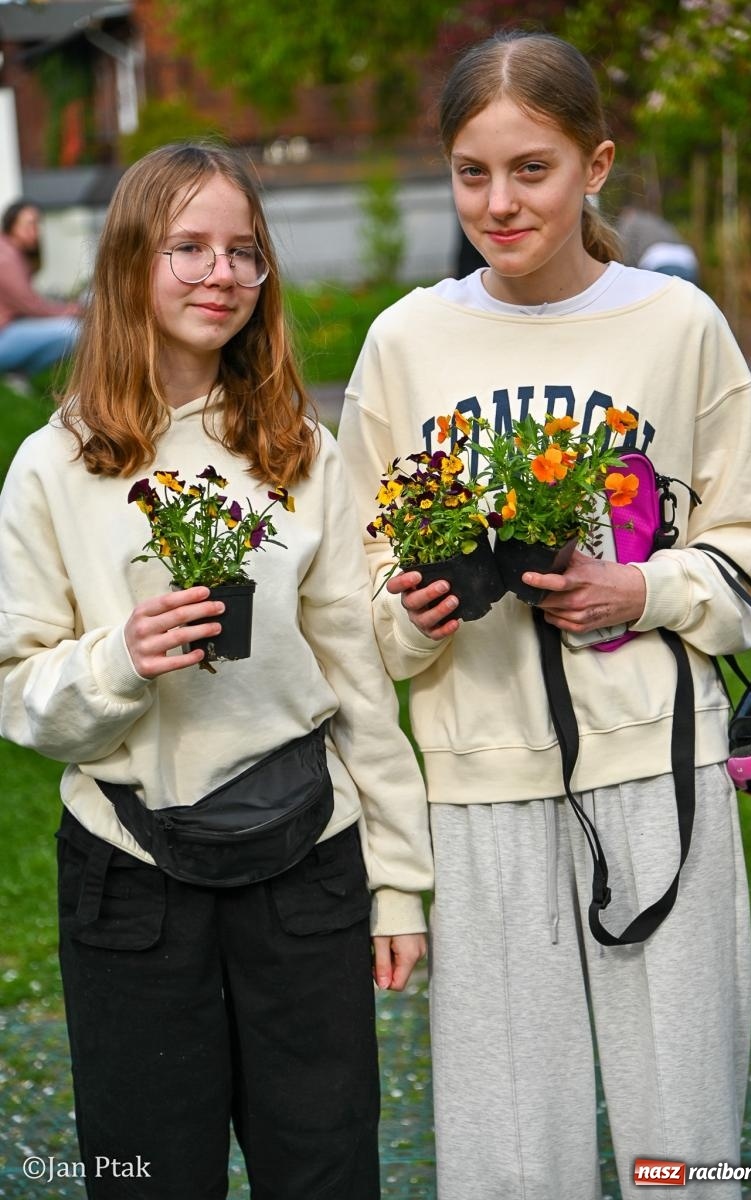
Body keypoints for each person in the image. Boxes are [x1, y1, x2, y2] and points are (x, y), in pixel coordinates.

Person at [336, 31, 751, 1200]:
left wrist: (641, 588)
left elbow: (750, 566)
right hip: (478, 787)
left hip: (660, 776)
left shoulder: (677, 325)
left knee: (680, 1142)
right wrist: (418, 612)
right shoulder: (404, 342)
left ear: (596, 165)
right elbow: (354, 596)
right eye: (471, 172)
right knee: (507, 1154)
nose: (499, 202)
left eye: (530, 169)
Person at [0, 143, 432, 1200]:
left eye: (243, 251)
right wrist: (118, 659)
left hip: (307, 869)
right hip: (130, 878)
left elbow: (357, 681)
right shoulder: (54, 465)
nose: (221, 273)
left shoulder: (299, 449)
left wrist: (397, 884)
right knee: (148, 1175)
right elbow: (19, 691)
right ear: (128, 262)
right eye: (187, 247)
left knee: (323, 1170)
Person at [0, 198, 82, 376]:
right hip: (3, 336)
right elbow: (32, 306)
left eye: (38, 224)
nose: (36, 231)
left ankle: (17, 374)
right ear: (12, 225)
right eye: (30, 224)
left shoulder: (12, 253)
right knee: (75, 331)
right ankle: (18, 374)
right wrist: (70, 310)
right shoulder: (5, 258)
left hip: (9, 329)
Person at [616, 203, 701, 283]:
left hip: (659, 261)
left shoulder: (630, 221)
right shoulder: (656, 219)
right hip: (687, 258)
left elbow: (624, 250)